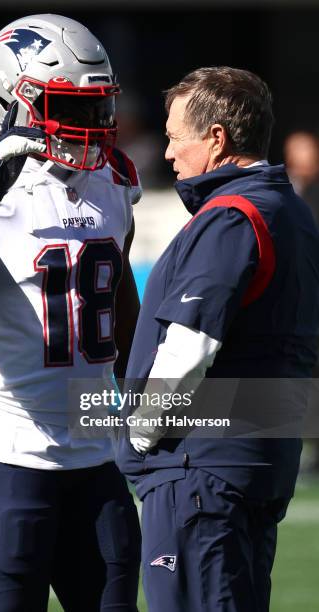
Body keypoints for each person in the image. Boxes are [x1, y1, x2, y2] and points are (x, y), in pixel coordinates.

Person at [0, 14, 141, 612]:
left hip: (96, 445)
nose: (94, 123)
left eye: (98, 105)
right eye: (74, 105)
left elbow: (123, 314)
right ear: (15, 102)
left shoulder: (116, 176)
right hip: (5, 446)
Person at [115, 67, 319, 611]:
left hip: (201, 471)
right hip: (254, 460)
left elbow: (190, 345)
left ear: (217, 138)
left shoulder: (233, 215)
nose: (168, 150)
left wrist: (139, 435)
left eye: (177, 135)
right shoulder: (291, 211)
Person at [284, 130, 319, 225]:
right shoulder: (280, 188)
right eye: (304, 149)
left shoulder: (314, 189)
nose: (313, 154)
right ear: (289, 155)